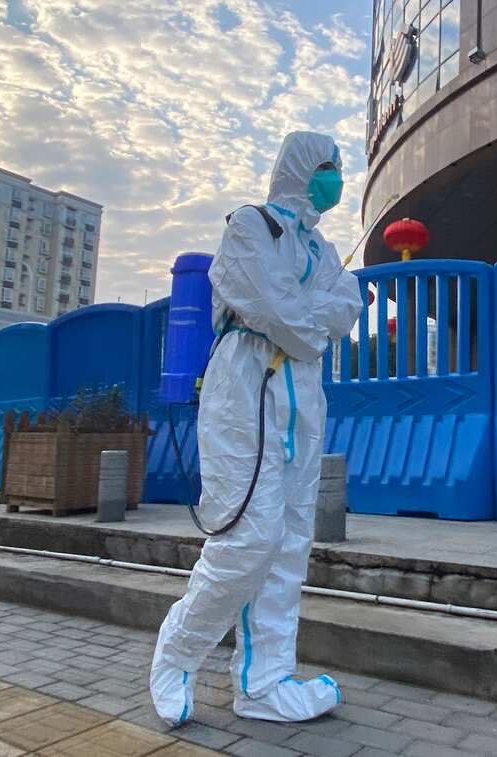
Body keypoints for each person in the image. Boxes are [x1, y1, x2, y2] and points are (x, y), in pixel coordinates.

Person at [150, 131, 363, 727]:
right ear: (298, 169)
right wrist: (310, 318)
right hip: (243, 394)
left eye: (340, 168)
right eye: (326, 167)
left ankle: (263, 681)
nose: (335, 178)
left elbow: (345, 307)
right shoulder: (250, 227)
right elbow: (276, 314)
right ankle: (176, 655)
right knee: (247, 539)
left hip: (303, 400)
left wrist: (305, 318)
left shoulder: (321, 249)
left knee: (291, 546)